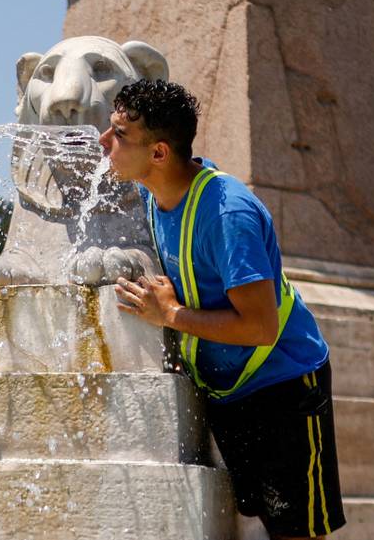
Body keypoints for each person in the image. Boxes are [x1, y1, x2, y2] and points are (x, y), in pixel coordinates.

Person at [101, 79, 345, 539]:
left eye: (119, 135)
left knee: (295, 531)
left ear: (158, 153)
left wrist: (170, 316)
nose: (104, 142)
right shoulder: (159, 195)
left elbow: (260, 327)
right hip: (229, 389)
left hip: (284, 386)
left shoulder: (228, 213)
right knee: (259, 521)